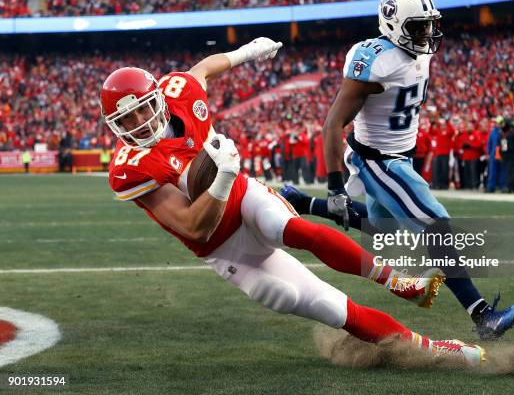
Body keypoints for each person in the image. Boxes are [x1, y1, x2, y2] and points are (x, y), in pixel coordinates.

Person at [99, 38, 485, 366]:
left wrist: (248, 52)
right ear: (116, 126)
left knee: (289, 227)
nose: (141, 122)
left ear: (157, 96)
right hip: (222, 246)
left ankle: (397, 281)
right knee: (324, 305)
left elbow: (203, 68)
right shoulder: (131, 167)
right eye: (128, 119)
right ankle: (438, 351)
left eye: (145, 108)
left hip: (244, 197)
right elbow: (193, 226)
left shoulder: (178, 91)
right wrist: (223, 177)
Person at [281, 0, 514, 340]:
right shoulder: (374, 59)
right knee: (437, 227)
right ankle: (483, 316)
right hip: (380, 162)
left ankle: (301, 201)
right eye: (418, 27)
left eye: (430, 25)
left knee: (382, 230)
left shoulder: (419, 55)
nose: (427, 34)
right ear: (393, 24)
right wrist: (336, 186)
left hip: (399, 157)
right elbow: (332, 124)